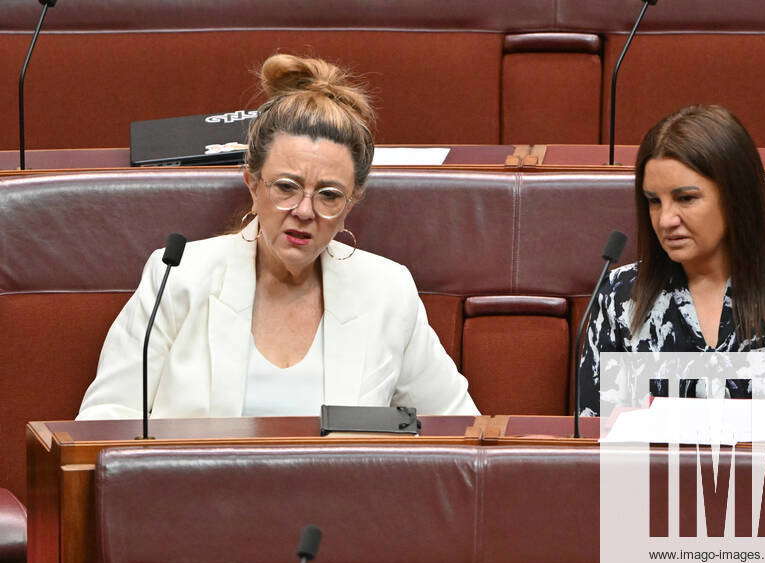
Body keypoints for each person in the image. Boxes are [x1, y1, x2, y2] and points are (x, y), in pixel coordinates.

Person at [78, 54, 478, 419]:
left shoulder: (387, 291)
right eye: (286, 187)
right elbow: (106, 420)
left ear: (351, 203)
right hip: (196, 496)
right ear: (252, 183)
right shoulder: (179, 276)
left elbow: (456, 426)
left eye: (329, 195)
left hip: (341, 496)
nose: (304, 211)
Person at [579, 105, 765, 422]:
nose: (666, 220)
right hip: (655, 473)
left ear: (735, 196)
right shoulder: (619, 296)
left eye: (686, 198)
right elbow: (598, 441)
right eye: (654, 201)